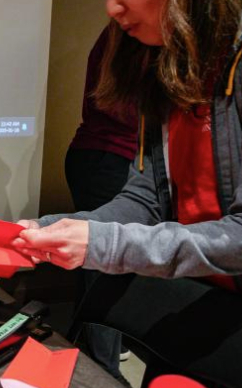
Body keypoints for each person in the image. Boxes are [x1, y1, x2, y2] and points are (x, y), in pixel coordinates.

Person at [13, 0, 242, 382]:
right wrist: (61, 229)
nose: (111, 7)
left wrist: (100, 242)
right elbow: (147, 197)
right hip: (198, 300)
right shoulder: (170, 53)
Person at [65, 25, 138, 385]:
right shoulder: (128, 34)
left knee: (95, 261)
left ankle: (86, 353)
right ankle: (103, 370)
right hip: (108, 158)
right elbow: (127, 109)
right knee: (106, 264)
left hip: (98, 156)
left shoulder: (121, 32)